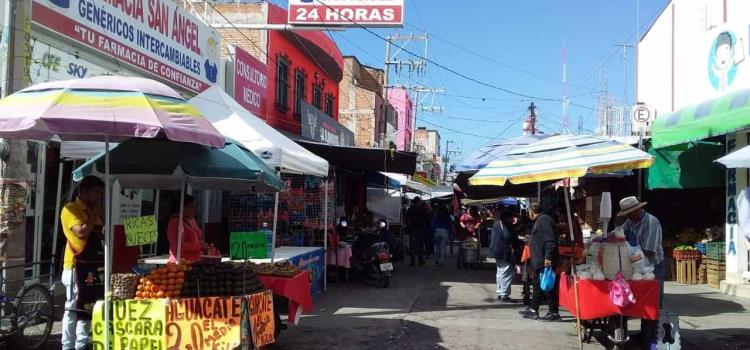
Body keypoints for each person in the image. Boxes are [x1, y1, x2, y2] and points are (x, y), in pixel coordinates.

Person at [60, 175, 104, 350]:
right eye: (96, 192)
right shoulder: (70, 209)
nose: (99, 196)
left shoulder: (94, 211)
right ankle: (68, 345)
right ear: (84, 191)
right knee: (73, 308)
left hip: (91, 266)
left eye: (100, 192)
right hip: (75, 267)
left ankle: (81, 343)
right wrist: (93, 214)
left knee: (87, 305)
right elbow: (81, 232)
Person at [619, 196, 665, 348]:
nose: (628, 216)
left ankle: (651, 338)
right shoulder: (631, 221)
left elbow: (649, 251)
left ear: (637, 209)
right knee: (642, 302)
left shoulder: (651, 222)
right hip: (639, 265)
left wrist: (630, 256)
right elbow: (620, 233)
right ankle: (643, 334)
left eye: (630, 213)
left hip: (653, 266)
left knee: (652, 302)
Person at [519, 202, 561, 321]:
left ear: (532, 212)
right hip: (539, 260)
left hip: (545, 260)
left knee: (548, 286)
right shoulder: (542, 220)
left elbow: (550, 241)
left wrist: (548, 257)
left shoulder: (544, 221)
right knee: (537, 285)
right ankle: (533, 310)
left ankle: (554, 312)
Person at [490, 209, 522, 303]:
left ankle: (500, 292)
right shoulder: (507, 225)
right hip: (504, 251)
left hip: (496, 251)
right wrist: (520, 242)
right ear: (509, 217)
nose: (514, 219)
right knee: (506, 272)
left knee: (500, 272)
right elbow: (509, 237)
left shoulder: (497, 223)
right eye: (512, 217)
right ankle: (504, 295)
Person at [167, 194, 208, 263]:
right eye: (192, 207)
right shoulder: (176, 222)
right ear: (183, 208)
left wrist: (202, 243)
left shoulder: (191, 219)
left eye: (195, 207)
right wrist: (199, 246)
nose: (195, 210)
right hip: (181, 264)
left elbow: (197, 235)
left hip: (194, 261)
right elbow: (178, 246)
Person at [406, 197, 430, 266]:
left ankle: (412, 261)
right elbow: (427, 218)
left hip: (413, 229)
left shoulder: (410, 209)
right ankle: (420, 260)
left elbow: (407, 219)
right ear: (419, 202)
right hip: (420, 229)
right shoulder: (422, 209)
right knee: (420, 245)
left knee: (412, 246)